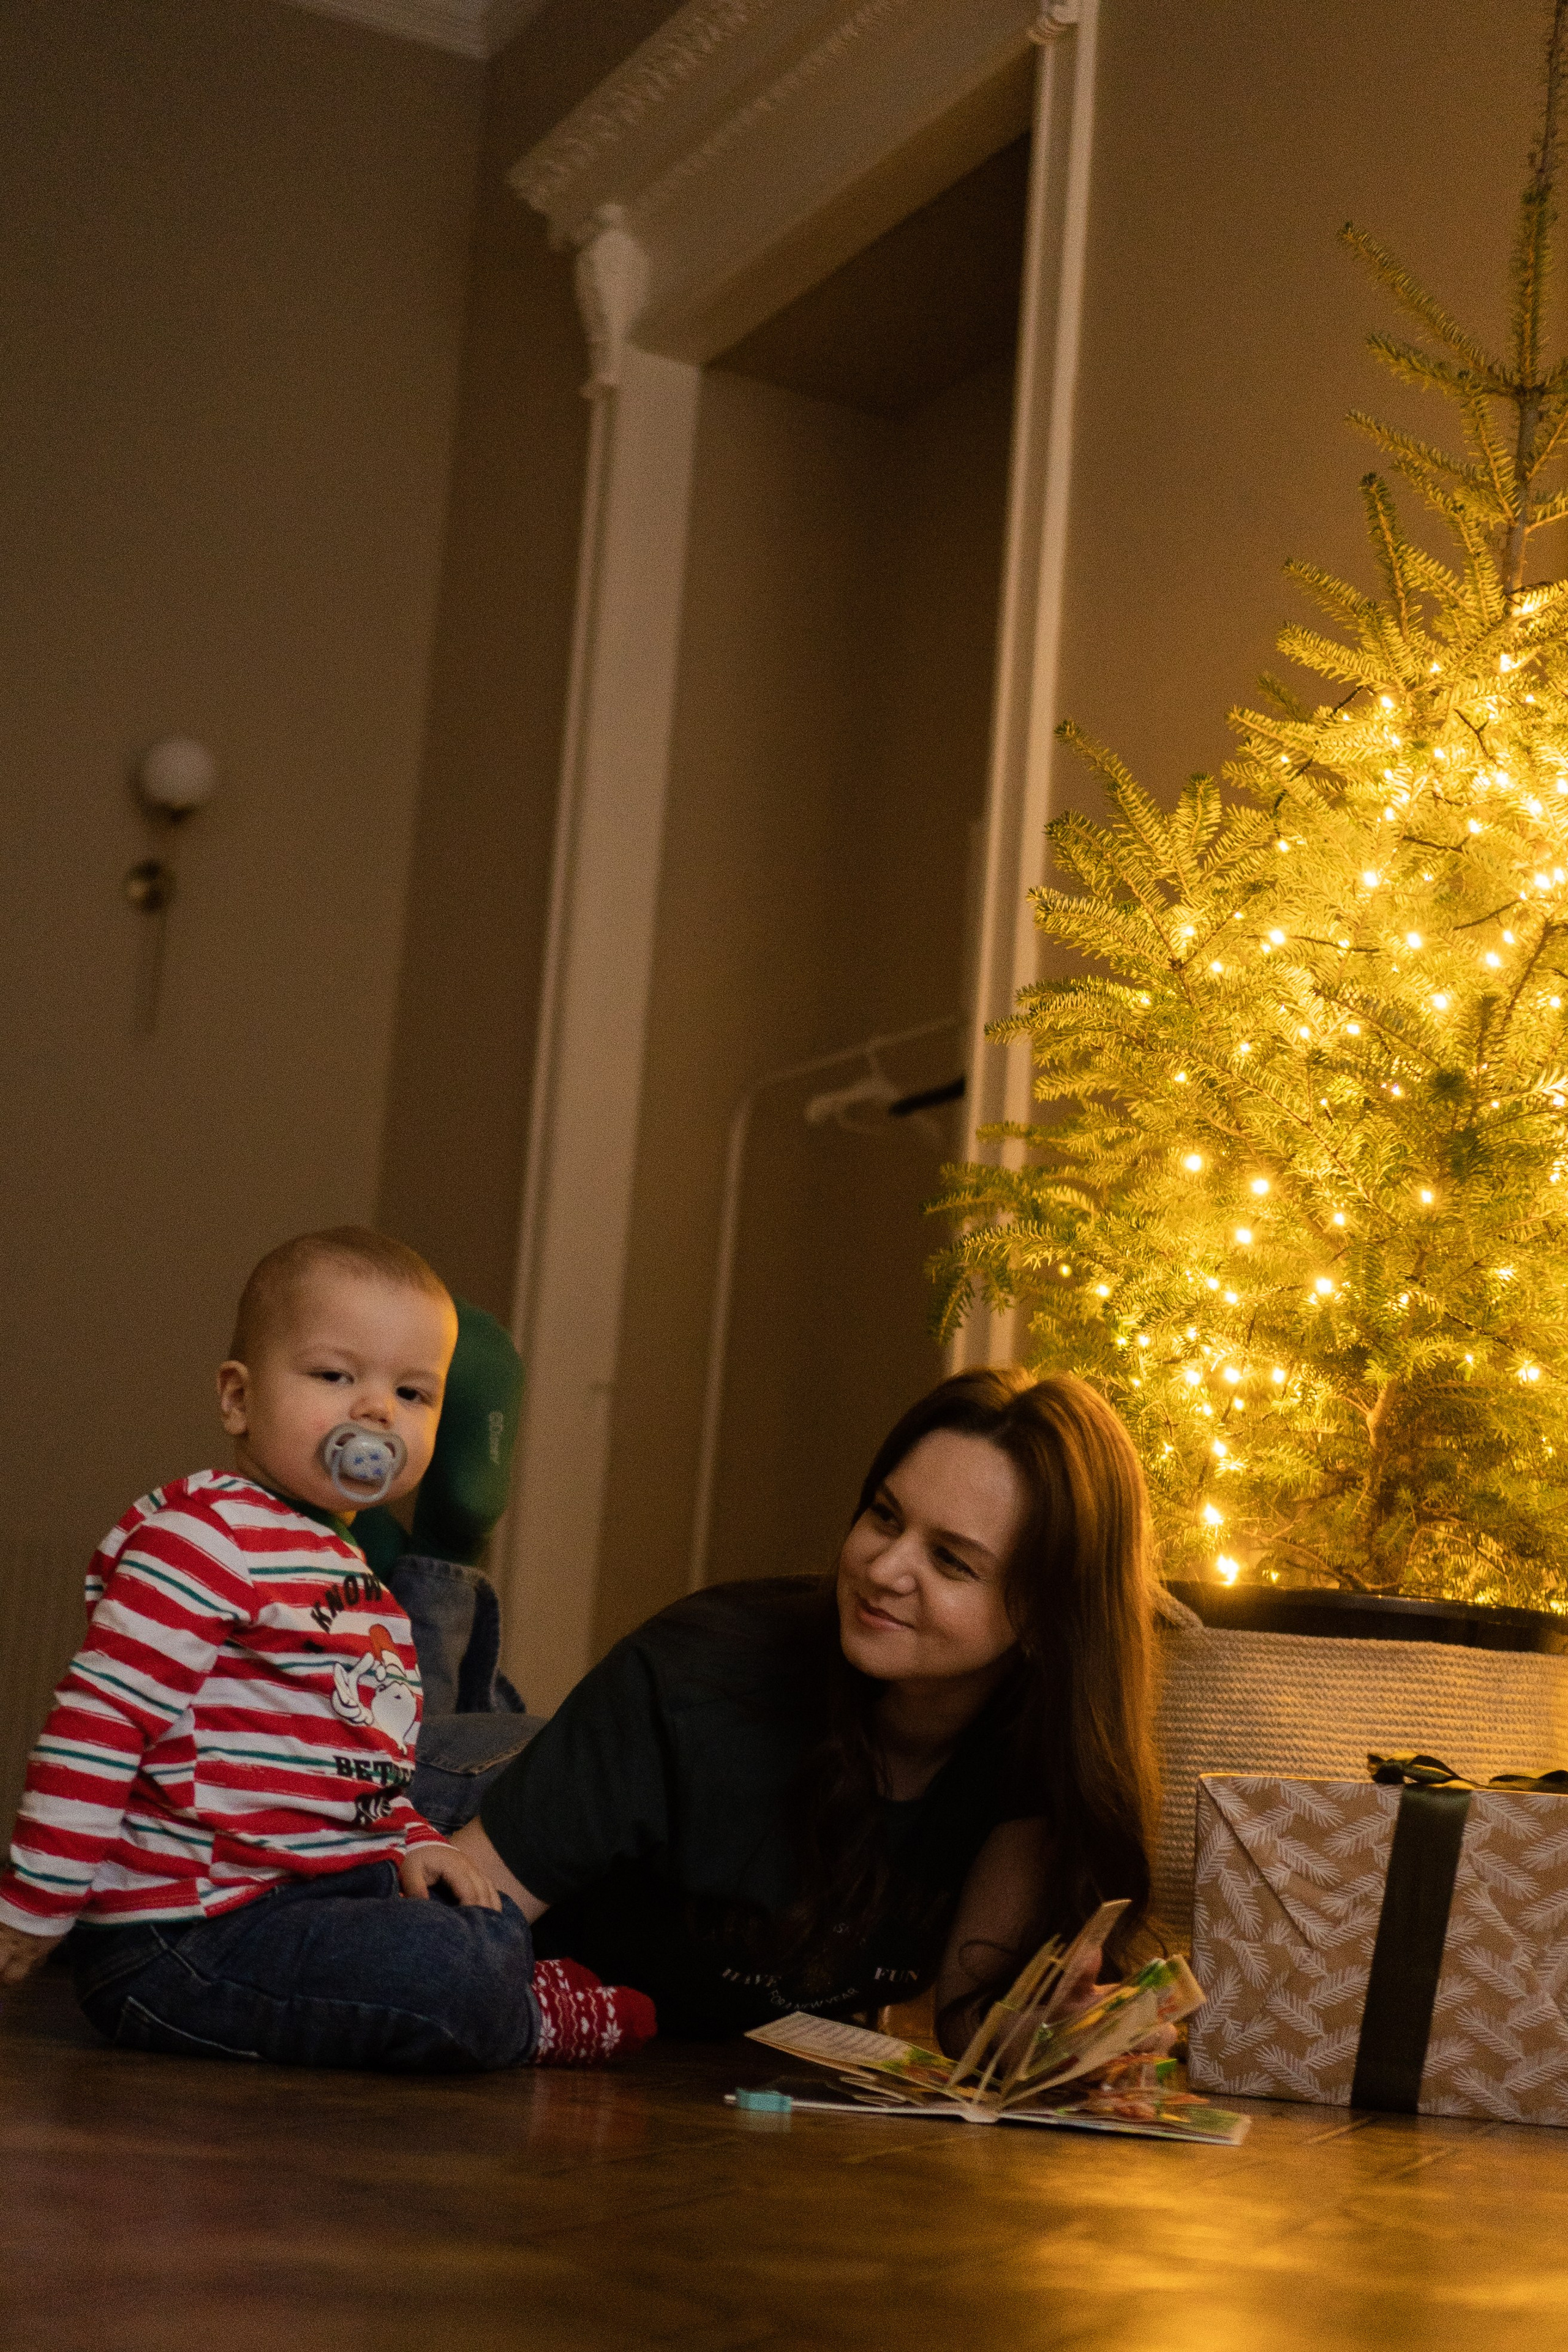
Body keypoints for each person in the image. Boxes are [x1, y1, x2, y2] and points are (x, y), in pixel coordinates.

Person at [0, 1227, 652, 2073]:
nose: (378, 1411)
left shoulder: (351, 1577)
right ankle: (517, 2009)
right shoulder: (203, 1539)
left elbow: (360, 1767)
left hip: (300, 1900)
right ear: (238, 1398)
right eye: (336, 1376)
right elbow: (100, 1728)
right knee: (450, 1964)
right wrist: (34, 1906)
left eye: (413, 1393)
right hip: (184, 1942)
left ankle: (497, 1974)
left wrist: (415, 1838)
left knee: (468, 1898)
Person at [453, 1367, 1163, 2049]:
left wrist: (1055, 2043)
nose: (883, 1570)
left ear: (1047, 1616)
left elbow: (969, 2020)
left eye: (951, 1561)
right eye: (885, 1517)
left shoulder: (1028, 1745)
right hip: (435, 1791)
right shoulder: (694, 1677)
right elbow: (448, 1931)